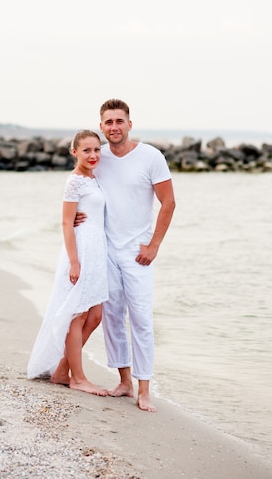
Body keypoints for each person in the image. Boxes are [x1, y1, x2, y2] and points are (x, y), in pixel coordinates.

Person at [76, 99, 175, 411]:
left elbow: (168, 202)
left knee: (142, 320)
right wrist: (76, 216)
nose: (114, 127)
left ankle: (145, 389)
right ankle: (124, 382)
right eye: (108, 122)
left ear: (129, 124)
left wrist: (154, 245)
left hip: (137, 253)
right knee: (113, 318)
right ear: (101, 126)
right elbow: (78, 187)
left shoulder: (151, 157)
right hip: (105, 251)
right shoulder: (97, 157)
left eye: (119, 121)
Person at [27, 130, 109, 396]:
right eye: (87, 150)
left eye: (97, 149)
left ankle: (63, 369)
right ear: (74, 152)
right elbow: (66, 222)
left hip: (97, 250)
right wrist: (74, 263)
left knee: (95, 315)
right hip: (81, 250)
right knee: (78, 314)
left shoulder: (94, 178)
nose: (93, 155)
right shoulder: (74, 181)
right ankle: (77, 377)